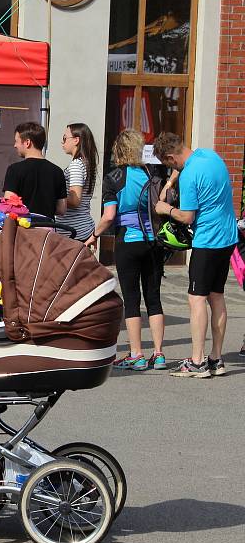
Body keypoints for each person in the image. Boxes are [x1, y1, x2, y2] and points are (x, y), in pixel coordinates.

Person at [153, 132, 238, 378]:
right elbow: (181, 166)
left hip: (207, 241)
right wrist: (170, 182)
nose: (170, 169)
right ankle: (216, 358)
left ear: (170, 156)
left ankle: (197, 361)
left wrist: (165, 208)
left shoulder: (190, 174)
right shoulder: (209, 156)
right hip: (227, 236)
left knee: (196, 298)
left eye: (168, 164)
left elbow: (187, 216)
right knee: (217, 296)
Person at [85, 129, 166, 371]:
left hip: (128, 241)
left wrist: (94, 235)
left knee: (131, 299)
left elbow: (109, 215)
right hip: (153, 241)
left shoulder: (114, 177)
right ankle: (159, 354)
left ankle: (136, 354)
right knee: (153, 297)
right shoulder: (151, 172)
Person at [3, 121, 67, 220]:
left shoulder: (14, 170)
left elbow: (9, 204)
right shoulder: (57, 172)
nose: (15, 145)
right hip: (47, 230)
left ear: (27, 143)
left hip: (23, 229)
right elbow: (61, 209)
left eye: (17, 141)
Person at [55, 123, 99, 241]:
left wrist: (52, 196)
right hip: (82, 228)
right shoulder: (86, 163)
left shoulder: (76, 165)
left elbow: (75, 200)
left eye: (65, 138)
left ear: (76, 140)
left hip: (73, 231)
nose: (62, 142)